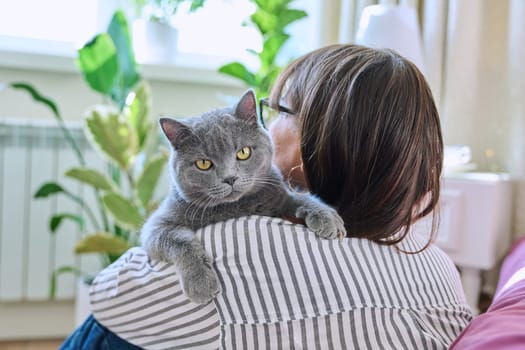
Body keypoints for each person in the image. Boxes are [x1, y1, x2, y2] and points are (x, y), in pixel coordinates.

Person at [61, 44, 473, 350]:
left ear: (326, 139)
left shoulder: (231, 248)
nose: (268, 126)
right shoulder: (439, 268)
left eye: (277, 111)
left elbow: (108, 300)